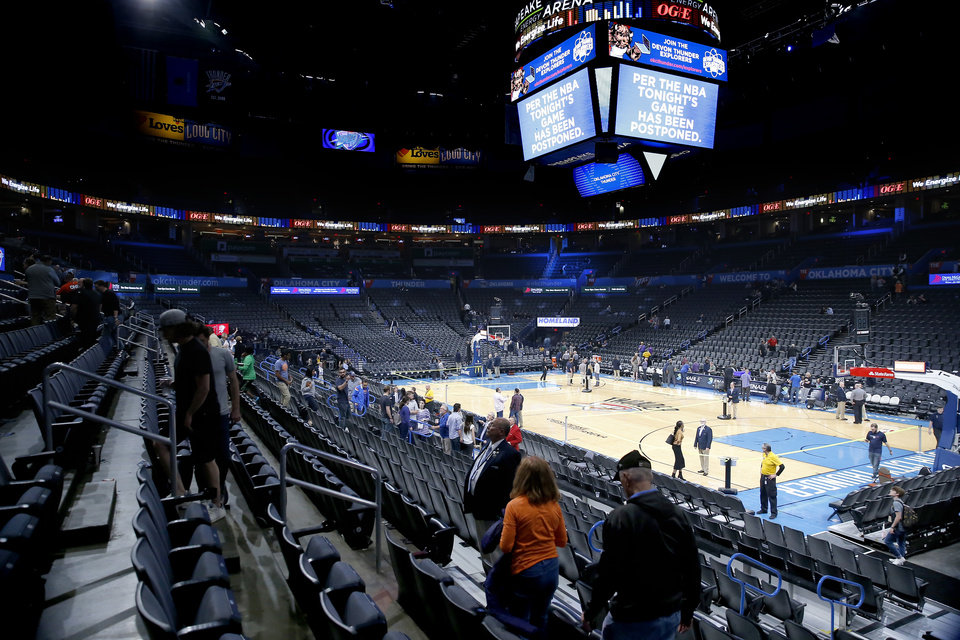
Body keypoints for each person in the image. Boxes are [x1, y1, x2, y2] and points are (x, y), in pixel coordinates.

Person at [582, 451, 699, 639]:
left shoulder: (620, 518)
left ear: (626, 479)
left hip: (631, 617)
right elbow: (692, 566)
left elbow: (608, 574)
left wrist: (591, 611)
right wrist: (688, 610)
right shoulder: (678, 514)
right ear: (651, 477)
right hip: (670, 615)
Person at [158, 309, 224, 521]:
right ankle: (181, 493)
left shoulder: (195, 350)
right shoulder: (184, 348)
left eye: (166, 329)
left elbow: (203, 388)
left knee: (206, 459)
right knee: (160, 444)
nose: (163, 334)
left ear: (177, 328)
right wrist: (174, 383)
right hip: (188, 410)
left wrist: (189, 414)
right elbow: (190, 380)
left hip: (201, 413)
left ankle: (217, 504)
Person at [499, 456, 567, 631]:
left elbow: (505, 546)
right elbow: (562, 541)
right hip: (551, 570)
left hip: (526, 569)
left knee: (520, 619)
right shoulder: (554, 506)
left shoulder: (514, 506)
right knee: (541, 618)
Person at [464, 417, 521, 563]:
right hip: (478, 506)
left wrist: (501, 513)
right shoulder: (488, 447)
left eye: (492, 426)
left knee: (494, 551)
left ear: (501, 432)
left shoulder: (510, 454)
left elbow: (511, 486)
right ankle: (488, 578)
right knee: (483, 547)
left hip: (492, 512)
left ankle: (497, 582)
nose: (488, 427)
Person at [197, 325, 241, 510]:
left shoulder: (222, 355)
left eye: (203, 340)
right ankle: (206, 493)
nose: (201, 344)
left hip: (221, 413)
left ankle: (219, 489)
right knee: (202, 459)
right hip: (199, 414)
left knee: (223, 457)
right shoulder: (190, 356)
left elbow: (234, 383)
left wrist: (236, 409)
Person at [25, 255, 60, 325]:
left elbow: (27, 280)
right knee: (50, 317)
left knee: (35, 317)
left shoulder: (29, 269)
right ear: (48, 261)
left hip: (33, 297)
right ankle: (49, 334)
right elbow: (57, 282)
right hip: (47, 297)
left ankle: (35, 334)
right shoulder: (49, 269)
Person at [72, 278, 102, 347]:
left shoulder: (80, 292)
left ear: (84, 284)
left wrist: (73, 318)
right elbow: (100, 307)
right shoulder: (97, 294)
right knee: (91, 338)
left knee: (85, 338)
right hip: (95, 319)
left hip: (84, 319)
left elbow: (74, 307)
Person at [758, 443, 785, 519]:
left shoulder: (773, 456)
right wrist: (761, 470)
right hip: (763, 476)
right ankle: (764, 509)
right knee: (763, 493)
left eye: (763, 448)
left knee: (772, 495)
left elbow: (782, 467)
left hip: (770, 478)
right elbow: (762, 463)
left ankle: (774, 512)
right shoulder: (764, 455)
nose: (761, 449)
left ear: (765, 449)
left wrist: (775, 475)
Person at [884, 485, 907, 565]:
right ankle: (901, 560)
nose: (890, 490)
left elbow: (898, 517)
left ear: (897, 494)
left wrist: (892, 527)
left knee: (887, 541)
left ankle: (899, 557)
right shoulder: (901, 501)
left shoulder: (896, 503)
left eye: (892, 490)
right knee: (901, 543)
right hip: (903, 527)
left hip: (898, 528)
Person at [95, 280, 120, 348]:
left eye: (97, 287)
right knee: (114, 335)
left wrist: (116, 318)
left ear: (101, 286)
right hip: (108, 317)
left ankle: (106, 352)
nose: (96, 289)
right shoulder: (103, 294)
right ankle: (122, 350)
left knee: (105, 336)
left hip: (111, 317)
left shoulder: (110, 293)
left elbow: (116, 306)